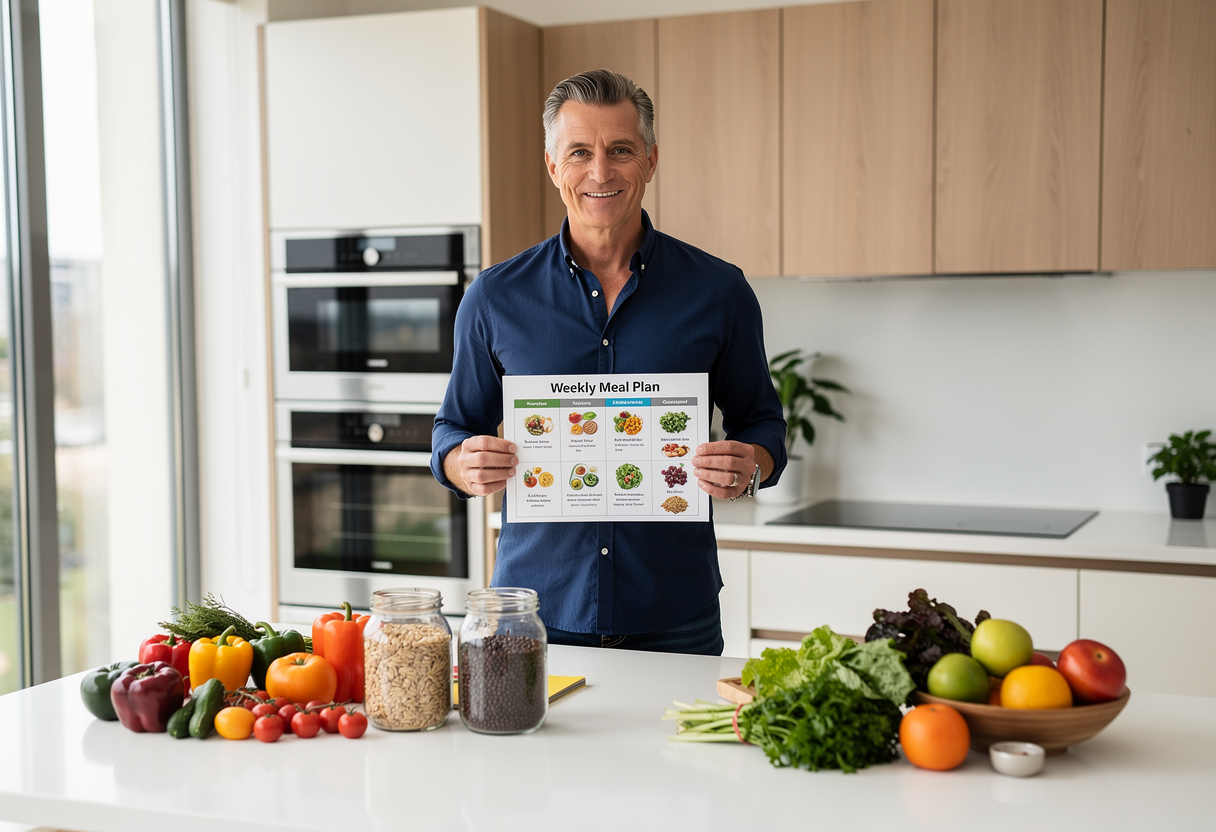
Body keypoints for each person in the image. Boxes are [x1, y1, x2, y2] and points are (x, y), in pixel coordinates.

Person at [430, 69, 786, 655]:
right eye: (579, 153)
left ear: (649, 160)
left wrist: (752, 462)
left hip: (676, 613)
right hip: (534, 614)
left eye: (620, 150)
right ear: (553, 167)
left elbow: (763, 423)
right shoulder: (494, 297)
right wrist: (461, 464)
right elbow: (451, 431)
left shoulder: (719, 291)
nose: (600, 172)